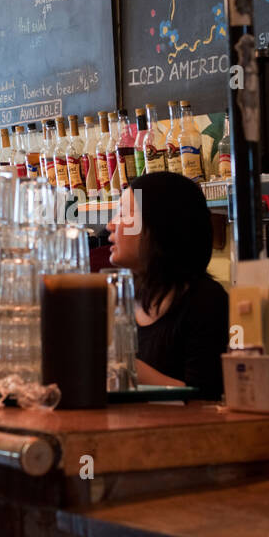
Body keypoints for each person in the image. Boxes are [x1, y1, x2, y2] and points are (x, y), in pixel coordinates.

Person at [105, 171, 229, 400]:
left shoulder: (206, 300)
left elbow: (206, 399)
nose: (110, 225)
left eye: (123, 214)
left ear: (160, 225)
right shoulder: (121, 299)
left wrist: (128, 367)